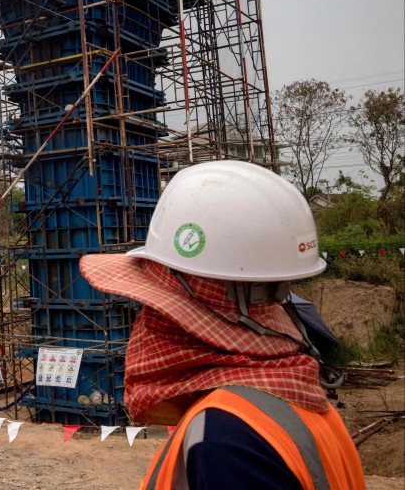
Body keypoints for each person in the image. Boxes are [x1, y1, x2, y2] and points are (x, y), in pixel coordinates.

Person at [79, 161, 365, 489]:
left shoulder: (225, 438)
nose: (145, 321)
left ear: (181, 319)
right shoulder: (300, 399)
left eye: (155, 306)